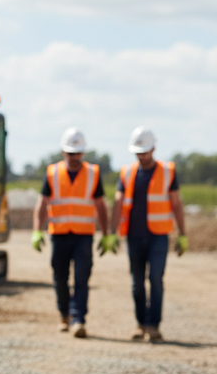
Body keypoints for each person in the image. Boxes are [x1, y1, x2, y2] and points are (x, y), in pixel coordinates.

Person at [32, 127, 114, 338]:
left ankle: (78, 319)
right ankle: (63, 314)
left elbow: (101, 205)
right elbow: (42, 203)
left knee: (81, 278)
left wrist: (106, 234)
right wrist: (36, 231)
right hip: (59, 234)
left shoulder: (93, 173)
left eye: (77, 153)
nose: (74, 157)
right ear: (63, 152)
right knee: (60, 278)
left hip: (83, 235)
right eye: (70, 153)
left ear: (83, 153)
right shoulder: (52, 173)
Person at [110, 127, 187, 343]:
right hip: (134, 236)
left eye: (145, 152)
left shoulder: (168, 171)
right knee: (137, 282)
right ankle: (140, 324)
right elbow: (117, 204)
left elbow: (177, 204)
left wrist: (183, 234)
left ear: (153, 148)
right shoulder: (126, 172)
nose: (142, 156)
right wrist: (111, 233)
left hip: (158, 236)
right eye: (138, 153)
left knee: (155, 279)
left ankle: (154, 326)